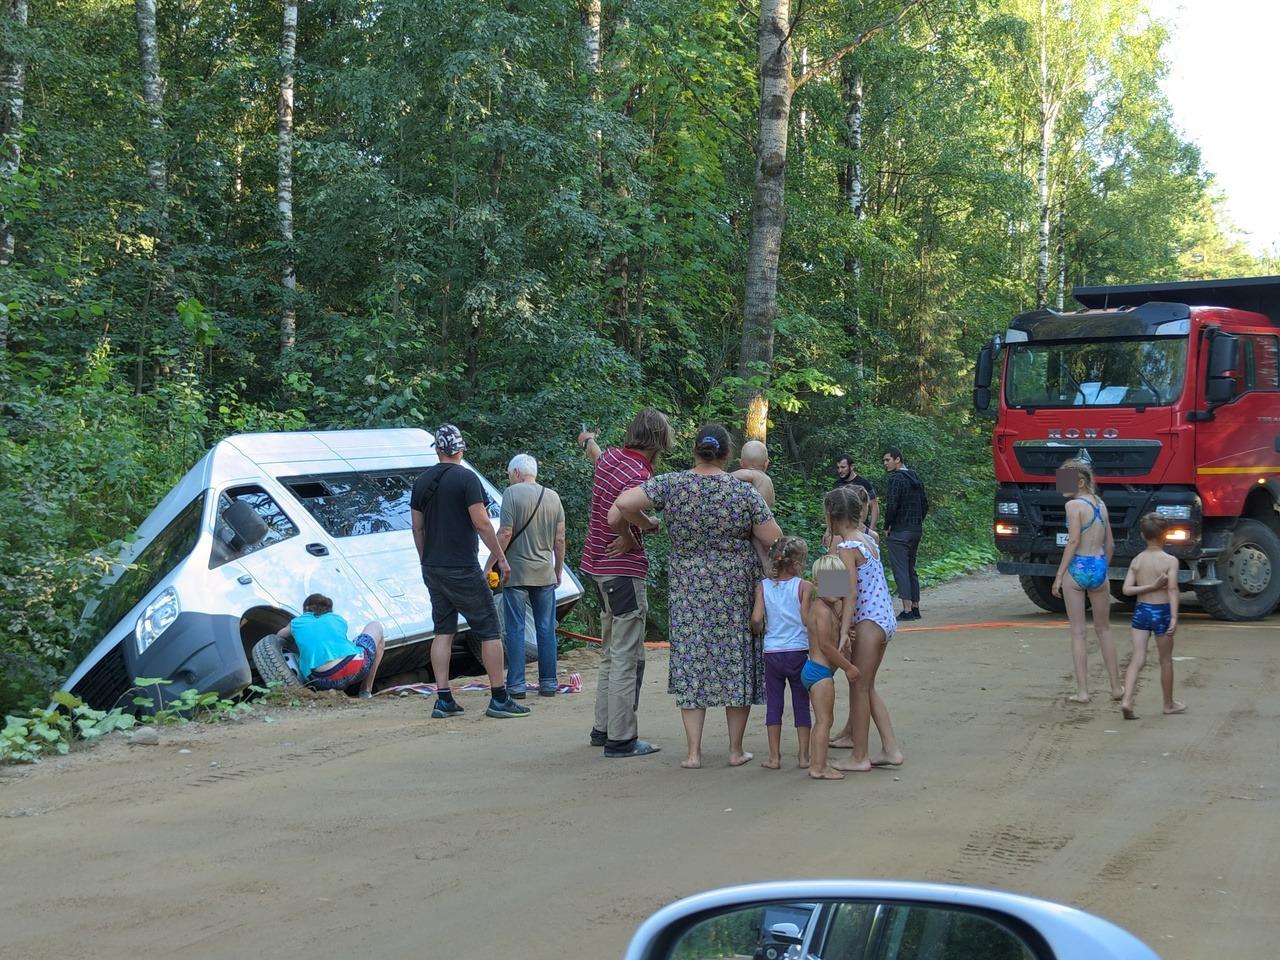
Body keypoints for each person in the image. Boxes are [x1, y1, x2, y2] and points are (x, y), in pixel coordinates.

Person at [613, 423, 784, 769]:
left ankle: (693, 753)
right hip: (733, 587)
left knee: (692, 661)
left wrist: (648, 524)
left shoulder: (673, 484)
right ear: (727, 455)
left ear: (694, 451)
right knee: (736, 662)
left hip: (688, 586)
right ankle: (735, 751)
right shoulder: (741, 492)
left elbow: (624, 502)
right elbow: (774, 537)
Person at [411, 423, 529, 720]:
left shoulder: (421, 481)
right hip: (462, 566)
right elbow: (481, 522)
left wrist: (426, 559)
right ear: (461, 450)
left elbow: (417, 527)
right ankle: (499, 698)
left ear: (438, 450)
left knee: (443, 631)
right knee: (489, 630)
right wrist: (500, 558)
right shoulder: (467, 479)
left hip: (433, 567)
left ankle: (443, 699)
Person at [576, 408, 674, 758]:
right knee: (626, 655)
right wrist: (638, 533)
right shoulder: (638, 472)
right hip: (622, 569)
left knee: (609, 650)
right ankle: (622, 737)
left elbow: (596, 456)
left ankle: (603, 728)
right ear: (660, 439)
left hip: (598, 568)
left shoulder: (614, 458)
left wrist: (589, 441)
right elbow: (617, 513)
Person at [824, 485, 903, 772]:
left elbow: (848, 592)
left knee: (858, 686)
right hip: (883, 620)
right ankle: (890, 749)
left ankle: (860, 756)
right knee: (867, 686)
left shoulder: (845, 547)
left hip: (868, 621)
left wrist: (843, 630)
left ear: (831, 516)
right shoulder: (869, 541)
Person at [491, 453, 566, 699]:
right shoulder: (553, 497)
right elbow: (559, 539)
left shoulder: (511, 494)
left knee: (515, 629)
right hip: (544, 573)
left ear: (515, 473)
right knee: (546, 629)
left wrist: (491, 563)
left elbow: (505, 532)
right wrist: (557, 570)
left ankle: (516, 685)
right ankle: (549, 683)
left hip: (516, 573)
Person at [1050, 457, 1122, 704]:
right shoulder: (1101, 504)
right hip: (1099, 566)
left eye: (1065, 481)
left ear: (1080, 481)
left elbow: (1073, 542)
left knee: (1078, 632)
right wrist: (1102, 568)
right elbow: (1110, 544)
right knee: (1104, 629)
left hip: (1078, 567)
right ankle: (1116, 687)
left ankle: (1083, 692)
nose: (1061, 487)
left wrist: (1059, 575)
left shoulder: (1073, 506)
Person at [750, 536, 812, 770]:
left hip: (772, 652)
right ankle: (804, 756)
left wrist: (759, 630)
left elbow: (756, 618)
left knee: (774, 703)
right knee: (801, 703)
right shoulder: (804, 586)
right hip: (798, 650)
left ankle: (774, 757)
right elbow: (806, 620)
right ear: (797, 562)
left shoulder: (763, 586)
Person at [1119, 513, 1185, 719]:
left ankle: (1127, 699)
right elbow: (1172, 589)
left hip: (1141, 611)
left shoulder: (1137, 560)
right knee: (1165, 660)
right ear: (1165, 535)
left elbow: (1126, 590)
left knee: (1137, 658)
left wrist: (1147, 586)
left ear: (1142, 535)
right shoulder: (1170, 561)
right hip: (1162, 612)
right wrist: (1174, 617)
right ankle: (1168, 703)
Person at [803, 554, 861, 781]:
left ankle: (818, 762)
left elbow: (830, 639)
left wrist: (845, 634)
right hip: (820, 674)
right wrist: (849, 667)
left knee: (823, 721)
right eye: (830, 582)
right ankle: (818, 767)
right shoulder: (822, 611)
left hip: (816, 671)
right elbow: (826, 647)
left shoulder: (827, 609)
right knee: (824, 722)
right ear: (817, 583)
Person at [276, 594, 384, 697]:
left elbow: (278, 636)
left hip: (321, 681)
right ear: (329, 609)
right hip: (356, 668)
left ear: (305, 609)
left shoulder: (296, 622)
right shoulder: (338, 619)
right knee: (375, 625)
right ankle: (365, 691)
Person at [881, 447, 927, 620]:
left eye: (887, 460)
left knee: (901, 569)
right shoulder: (915, 476)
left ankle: (907, 610)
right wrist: (917, 520)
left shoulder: (896, 479)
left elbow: (892, 504)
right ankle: (915, 607)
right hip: (916, 530)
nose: (885, 463)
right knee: (910, 568)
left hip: (900, 531)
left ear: (897, 459)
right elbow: (925, 504)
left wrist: (888, 526)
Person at [834, 454, 879, 530]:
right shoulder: (837, 484)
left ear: (852, 467)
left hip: (860, 527)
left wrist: (871, 528)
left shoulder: (864, 483)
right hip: (841, 527)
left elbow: (874, 506)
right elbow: (833, 508)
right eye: (838, 468)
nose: (840, 471)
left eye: (843, 467)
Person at [733, 439, 776, 508]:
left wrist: (726, 475)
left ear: (741, 463)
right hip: (767, 514)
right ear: (766, 464)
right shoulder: (768, 479)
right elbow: (772, 502)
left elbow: (746, 474)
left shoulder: (753, 474)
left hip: (757, 513)